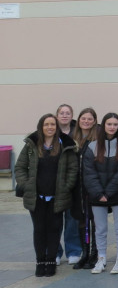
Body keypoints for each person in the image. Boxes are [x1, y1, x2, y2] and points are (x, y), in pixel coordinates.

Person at [15, 114, 78, 277]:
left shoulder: (65, 145)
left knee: (54, 229)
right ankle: (40, 260)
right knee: (39, 229)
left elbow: (72, 169)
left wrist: (66, 186)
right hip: (37, 197)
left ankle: (51, 260)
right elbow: (20, 167)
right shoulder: (32, 145)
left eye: (53, 125)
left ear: (57, 128)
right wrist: (26, 184)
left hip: (57, 197)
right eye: (46, 124)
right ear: (41, 127)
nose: (50, 127)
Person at [82, 113, 118, 274]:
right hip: (97, 195)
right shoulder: (92, 146)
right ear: (104, 126)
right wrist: (98, 193)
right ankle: (101, 258)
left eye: (115, 124)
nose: (112, 127)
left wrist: (108, 192)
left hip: (117, 194)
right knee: (100, 228)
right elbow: (88, 173)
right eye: (109, 124)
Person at [70, 107, 99, 270]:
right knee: (81, 220)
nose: (86, 121)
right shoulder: (72, 139)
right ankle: (84, 253)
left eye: (89, 119)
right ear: (79, 120)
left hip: (92, 187)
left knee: (95, 221)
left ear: (94, 121)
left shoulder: (98, 139)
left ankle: (94, 253)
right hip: (77, 188)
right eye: (83, 118)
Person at [55, 103, 82, 266]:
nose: (64, 115)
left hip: (73, 181)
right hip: (54, 182)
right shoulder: (50, 130)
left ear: (72, 116)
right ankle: (55, 251)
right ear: (57, 115)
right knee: (55, 219)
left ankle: (73, 250)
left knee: (72, 219)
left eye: (68, 113)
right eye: (62, 113)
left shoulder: (77, 132)